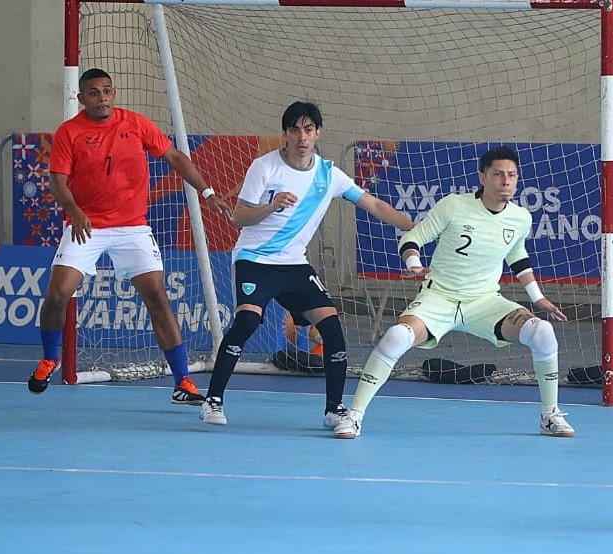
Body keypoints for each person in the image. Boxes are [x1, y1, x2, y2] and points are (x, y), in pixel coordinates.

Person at [333, 146, 573, 440]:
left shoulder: (521, 217)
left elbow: (517, 256)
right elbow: (413, 237)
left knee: (542, 331)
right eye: (498, 174)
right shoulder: (454, 205)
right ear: (482, 177)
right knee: (396, 336)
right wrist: (413, 263)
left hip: (485, 302)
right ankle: (354, 415)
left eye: (511, 175)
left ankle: (550, 415)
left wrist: (537, 297)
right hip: (439, 298)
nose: (506, 181)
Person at [198, 101, 414, 426]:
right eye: (295, 130)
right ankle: (213, 401)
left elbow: (373, 204)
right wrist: (271, 207)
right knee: (247, 323)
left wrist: (415, 228)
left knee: (331, 327)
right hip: (255, 260)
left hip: (295, 265)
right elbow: (239, 217)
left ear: (317, 133)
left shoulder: (329, 174)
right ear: (285, 134)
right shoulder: (265, 167)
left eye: (308, 129)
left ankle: (334, 410)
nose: (302, 136)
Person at [30, 68, 228, 403]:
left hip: (132, 227)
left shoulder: (135, 124)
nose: (102, 97)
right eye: (93, 92)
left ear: (114, 94)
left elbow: (175, 157)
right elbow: (57, 182)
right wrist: (74, 210)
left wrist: (208, 193)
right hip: (86, 226)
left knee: (158, 298)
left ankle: (183, 382)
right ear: (81, 98)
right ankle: (50, 357)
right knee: (57, 295)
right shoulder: (69, 132)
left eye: (107, 91)